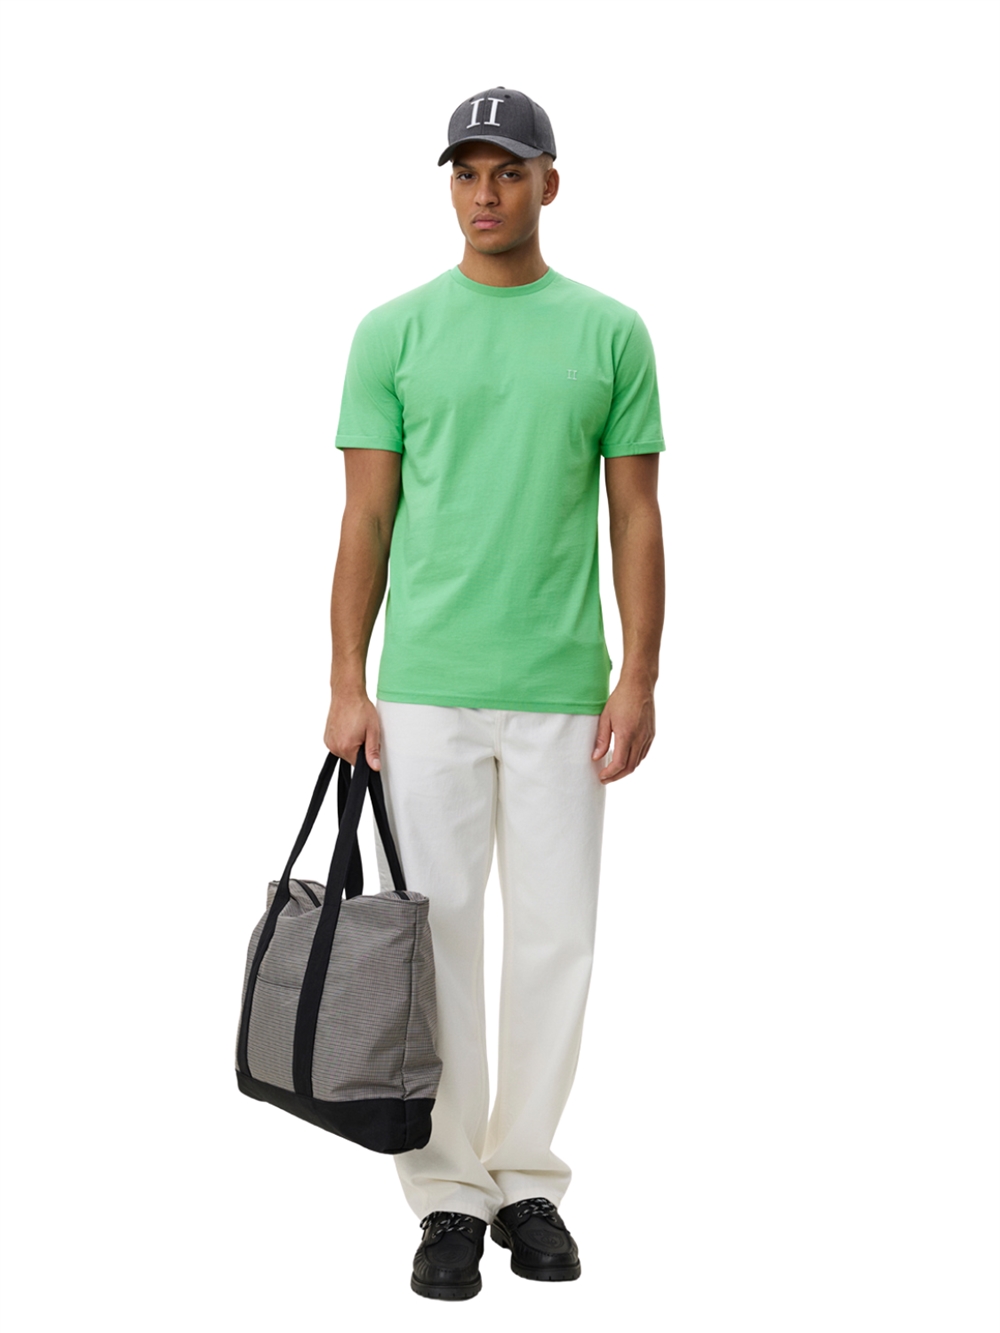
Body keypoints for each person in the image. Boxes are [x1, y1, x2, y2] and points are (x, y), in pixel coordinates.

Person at [324, 85, 665, 1301]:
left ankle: (525, 1181)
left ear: (547, 184)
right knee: (438, 942)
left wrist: (640, 672)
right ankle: (446, 1196)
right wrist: (345, 680)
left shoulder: (610, 332)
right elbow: (365, 518)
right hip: (424, 688)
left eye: (508, 170)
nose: (485, 191)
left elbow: (636, 514)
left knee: (556, 939)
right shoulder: (394, 333)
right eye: (467, 171)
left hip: (565, 687)